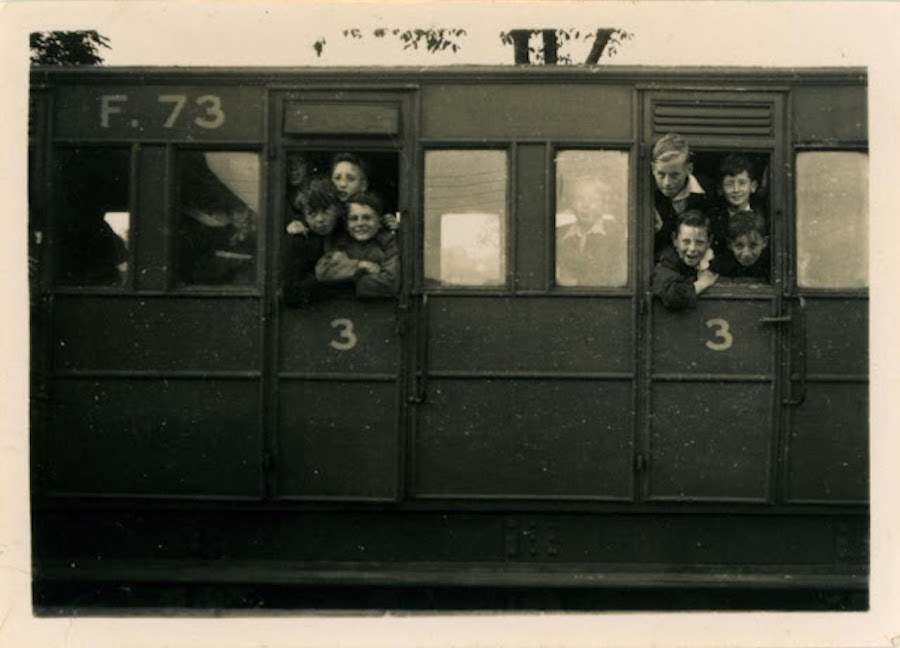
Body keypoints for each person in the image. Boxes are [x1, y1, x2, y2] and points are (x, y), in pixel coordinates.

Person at [286, 152, 398, 235]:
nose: (342, 184)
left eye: (350, 179)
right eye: (337, 178)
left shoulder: (376, 211)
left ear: (364, 185)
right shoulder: (323, 208)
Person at [315, 191, 399, 298]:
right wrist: (360, 265)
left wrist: (344, 280)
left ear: (379, 222)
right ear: (346, 225)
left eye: (367, 218)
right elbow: (323, 272)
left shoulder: (388, 243)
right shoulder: (341, 243)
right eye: (354, 219)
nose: (360, 224)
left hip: (379, 309)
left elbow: (391, 283)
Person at [282, 178, 349, 306]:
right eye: (312, 213)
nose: (320, 219)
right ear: (304, 215)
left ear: (338, 210)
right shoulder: (300, 239)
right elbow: (291, 293)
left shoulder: (350, 232)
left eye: (326, 211)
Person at [651, 133, 708, 258]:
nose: (667, 183)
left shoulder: (707, 192)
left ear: (689, 169)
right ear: (653, 168)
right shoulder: (648, 196)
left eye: (674, 175)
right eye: (661, 174)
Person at [555, 178, 619, 286]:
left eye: (593, 200)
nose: (585, 205)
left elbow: (615, 279)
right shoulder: (559, 233)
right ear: (572, 204)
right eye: (580, 199)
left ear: (603, 205)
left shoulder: (616, 235)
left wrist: (576, 283)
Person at [652, 210, 718, 311]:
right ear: (675, 240)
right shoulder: (667, 261)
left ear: (709, 242)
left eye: (699, 242)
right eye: (686, 241)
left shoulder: (711, 260)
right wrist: (702, 284)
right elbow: (672, 296)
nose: (692, 249)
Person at [707, 154, 762, 260]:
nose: (736, 189)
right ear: (720, 189)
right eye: (729, 184)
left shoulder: (762, 215)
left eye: (742, 183)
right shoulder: (714, 219)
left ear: (753, 186)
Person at [711, 209, 770, 281]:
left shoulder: (772, 267)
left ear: (764, 242)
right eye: (739, 246)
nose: (746, 254)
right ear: (730, 244)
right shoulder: (719, 267)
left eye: (753, 245)